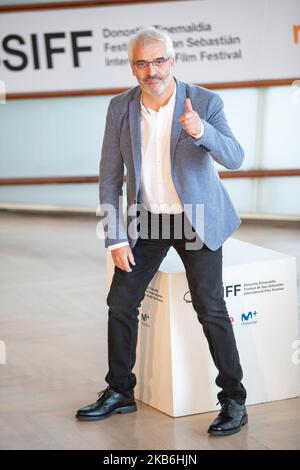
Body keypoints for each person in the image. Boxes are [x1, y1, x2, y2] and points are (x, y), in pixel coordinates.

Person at [76, 27, 248, 437]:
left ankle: (234, 400)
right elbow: (108, 176)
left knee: (210, 308)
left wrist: (201, 131)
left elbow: (236, 158)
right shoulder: (120, 107)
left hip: (198, 217)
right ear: (133, 67)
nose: (150, 70)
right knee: (120, 302)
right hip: (148, 220)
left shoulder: (205, 101)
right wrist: (115, 236)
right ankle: (119, 391)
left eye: (158, 61)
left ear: (171, 61)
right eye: (141, 63)